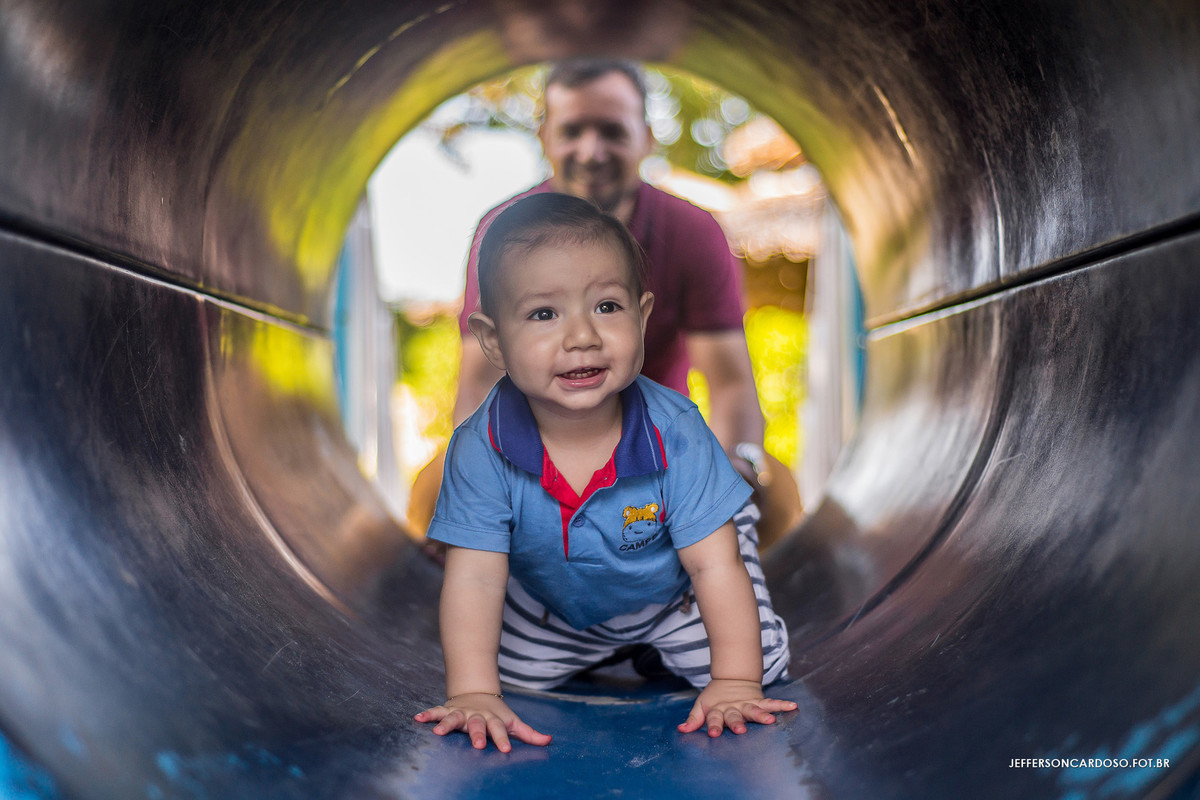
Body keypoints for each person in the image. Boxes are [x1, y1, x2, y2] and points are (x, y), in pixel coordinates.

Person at [413, 192, 793, 752]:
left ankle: (656, 644)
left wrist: (733, 683)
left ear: (642, 317)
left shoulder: (677, 431)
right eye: (544, 314)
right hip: (558, 601)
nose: (582, 336)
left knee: (766, 659)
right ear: (493, 340)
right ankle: (615, 649)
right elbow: (473, 575)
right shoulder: (480, 447)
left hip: (676, 591)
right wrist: (474, 693)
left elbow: (714, 567)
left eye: (607, 307)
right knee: (506, 673)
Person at [452, 58, 773, 495]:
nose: (591, 152)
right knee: (434, 491)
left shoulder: (692, 232)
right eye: (572, 131)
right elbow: (480, 385)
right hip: (530, 463)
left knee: (773, 496)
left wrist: (736, 469)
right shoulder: (503, 233)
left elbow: (730, 383)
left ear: (646, 138)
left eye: (612, 131)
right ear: (545, 137)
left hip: (660, 457)